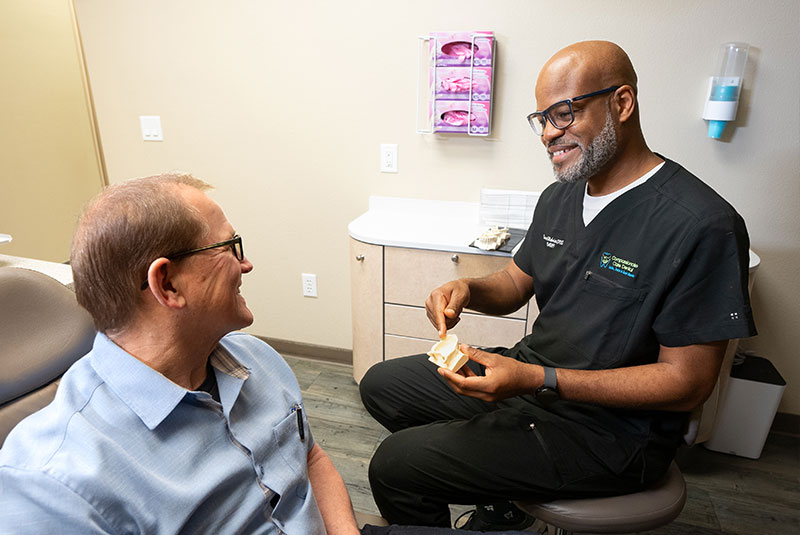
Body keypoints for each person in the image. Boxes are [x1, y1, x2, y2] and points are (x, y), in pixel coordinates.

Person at [359, 40, 756, 531]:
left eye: (565, 113)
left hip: (612, 432)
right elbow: (515, 282)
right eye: (542, 118)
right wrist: (468, 288)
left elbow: (687, 384)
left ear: (622, 103)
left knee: (397, 466)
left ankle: (491, 487)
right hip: (533, 378)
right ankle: (503, 506)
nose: (548, 133)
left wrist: (538, 380)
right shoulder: (559, 197)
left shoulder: (701, 224)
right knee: (383, 386)